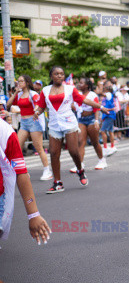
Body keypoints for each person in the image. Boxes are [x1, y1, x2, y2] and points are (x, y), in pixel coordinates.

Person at [34, 66, 108, 194]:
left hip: (69, 123)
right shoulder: (45, 91)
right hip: (54, 125)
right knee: (54, 153)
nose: (59, 76)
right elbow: (41, 106)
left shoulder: (70, 89)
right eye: (56, 74)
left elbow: (84, 100)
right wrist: (37, 112)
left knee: (74, 151)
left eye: (62, 74)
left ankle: (80, 170)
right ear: (51, 76)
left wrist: (100, 107)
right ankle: (57, 183)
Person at [0, 118, 51, 245]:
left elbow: (20, 171)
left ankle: (47, 169)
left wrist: (33, 214)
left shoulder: (4, 130)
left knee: (39, 147)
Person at [6, 75, 52, 181]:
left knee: (39, 148)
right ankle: (21, 170)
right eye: (18, 81)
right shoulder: (19, 94)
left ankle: (47, 170)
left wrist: (36, 111)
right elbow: (8, 105)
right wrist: (15, 93)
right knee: (17, 146)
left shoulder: (33, 94)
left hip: (33, 122)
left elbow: (38, 105)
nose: (19, 83)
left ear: (27, 83)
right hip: (24, 123)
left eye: (21, 81)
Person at [69, 78, 106, 172]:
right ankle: (80, 164)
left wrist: (96, 121)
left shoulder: (92, 95)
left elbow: (96, 108)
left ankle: (102, 160)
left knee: (94, 142)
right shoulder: (78, 94)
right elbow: (74, 106)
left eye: (81, 83)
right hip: (81, 120)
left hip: (91, 119)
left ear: (87, 85)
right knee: (80, 142)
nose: (79, 84)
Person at [100, 84, 118, 156]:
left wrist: (100, 87)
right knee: (110, 131)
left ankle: (105, 148)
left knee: (103, 130)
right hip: (107, 115)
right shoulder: (106, 96)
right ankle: (112, 146)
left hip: (109, 115)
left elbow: (102, 94)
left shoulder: (109, 94)